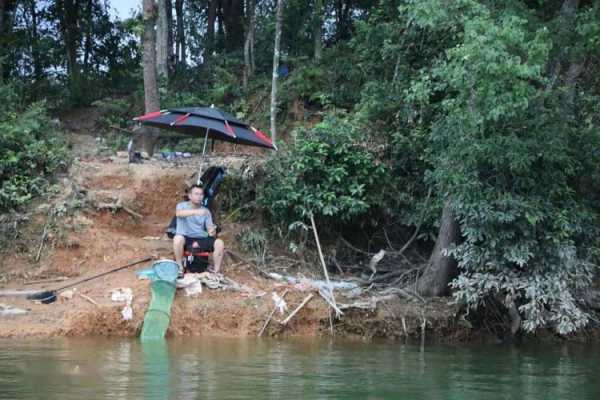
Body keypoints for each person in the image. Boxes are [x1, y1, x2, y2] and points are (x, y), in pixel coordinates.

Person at [173, 184, 225, 275]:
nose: (199, 196)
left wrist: (212, 231)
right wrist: (196, 212)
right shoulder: (181, 206)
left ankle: (216, 271)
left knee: (219, 243)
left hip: (200, 238)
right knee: (177, 239)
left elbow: (210, 228)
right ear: (190, 196)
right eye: (196, 194)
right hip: (186, 238)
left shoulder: (206, 211)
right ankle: (179, 267)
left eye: (201, 194)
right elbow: (179, 214)